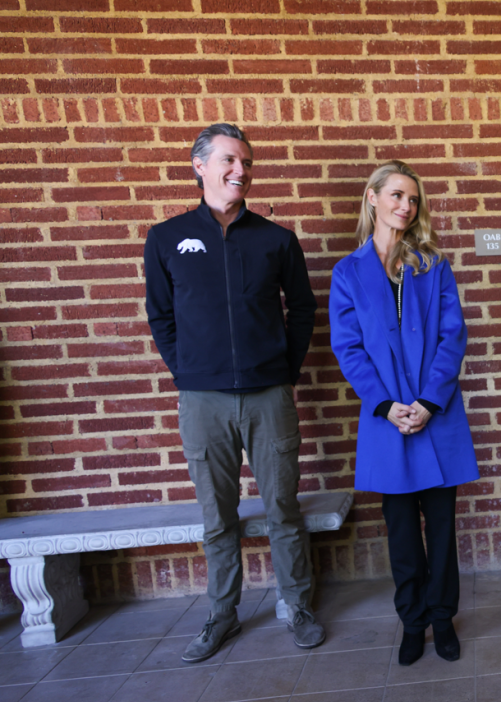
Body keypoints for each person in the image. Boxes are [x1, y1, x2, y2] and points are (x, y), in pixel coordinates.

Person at [144, 123, 322, 663]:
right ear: (199, 165)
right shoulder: (166, 238)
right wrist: (187, 371)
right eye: (228, 160)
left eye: (245, 161)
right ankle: (223, 613)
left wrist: (283, 370)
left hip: (269, 396)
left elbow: (304, 309)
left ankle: (298, 605)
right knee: (217, 516)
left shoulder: (276, 239)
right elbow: (161, 316)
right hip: (202, 402)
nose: (240, 170)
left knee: (283, 509)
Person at [329, 161, 479, 667]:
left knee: (440, 533)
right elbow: (348, 348)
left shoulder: (432, 264)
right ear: (372, 198)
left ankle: (443, 619)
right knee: (401, 537)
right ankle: (412, 623)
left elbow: (451, 336)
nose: (405, 207)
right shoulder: (347, 273)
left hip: (435, 418)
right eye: (396, 195)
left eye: (412, 199)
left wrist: (428, 403)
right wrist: (388, 405)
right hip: (385, 422)